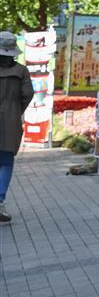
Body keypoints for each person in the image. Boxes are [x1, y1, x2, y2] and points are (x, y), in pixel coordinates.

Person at [0, 31, 32, 223]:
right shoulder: (21, 71)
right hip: (11, 121)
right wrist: (15, 109)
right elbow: (27, 94)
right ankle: (0, 200)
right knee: (5, 162)